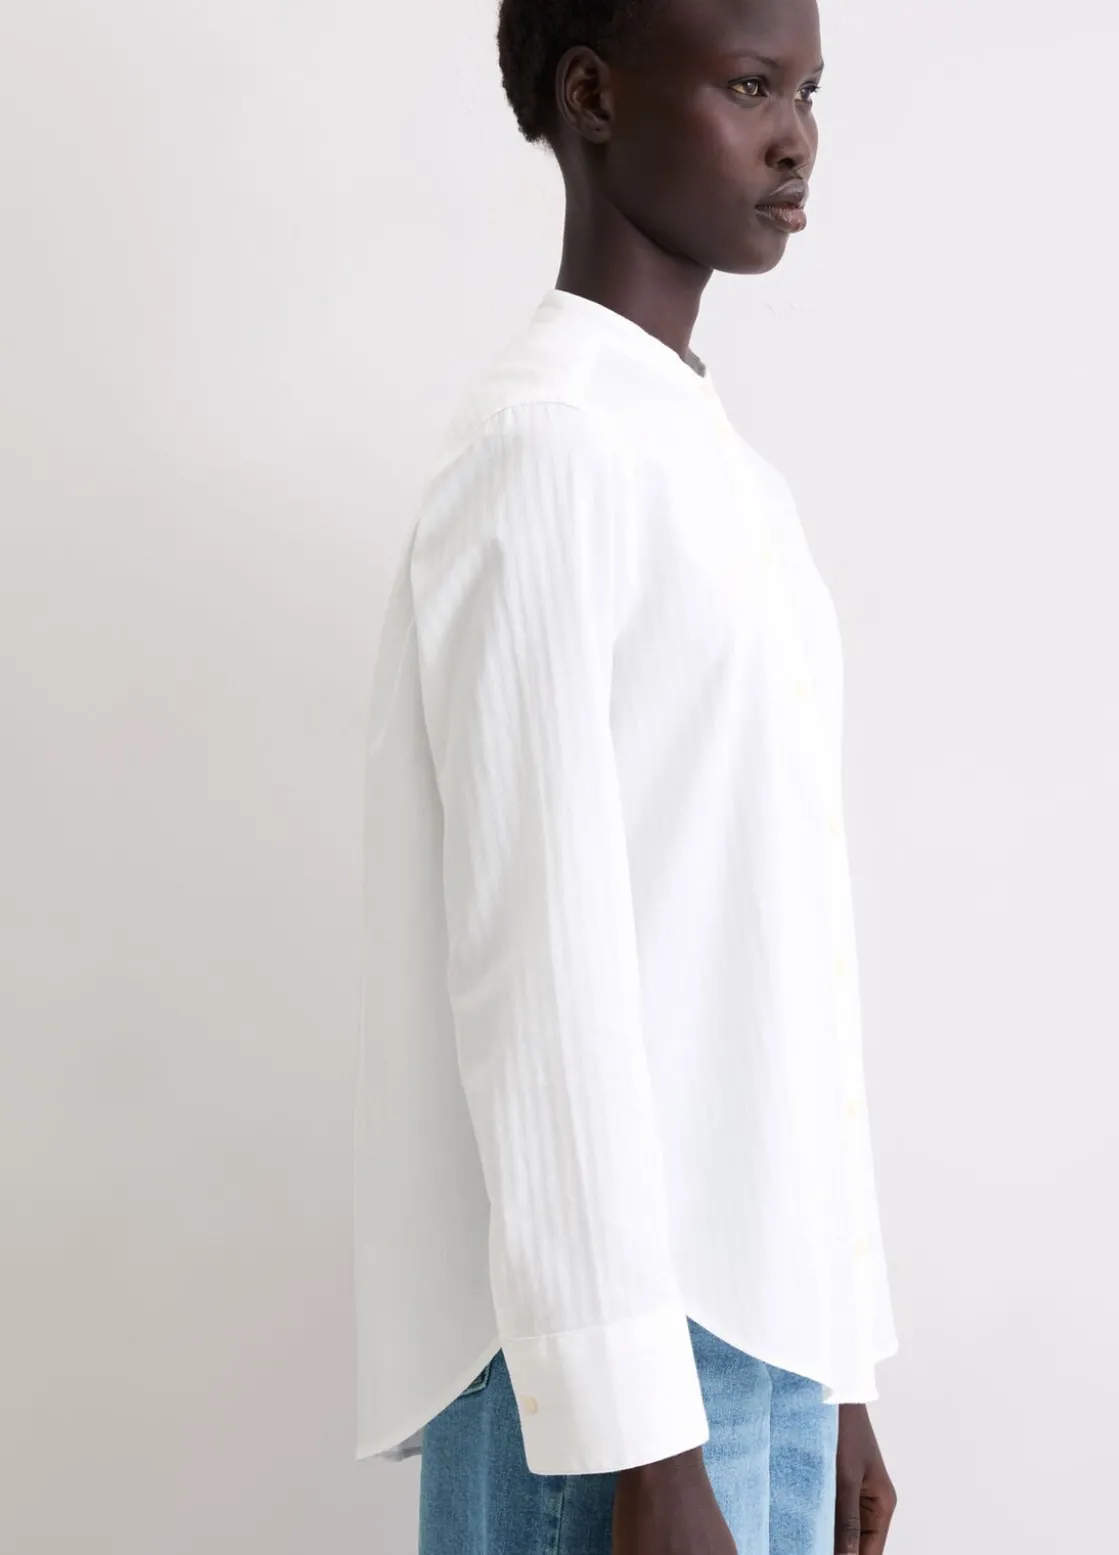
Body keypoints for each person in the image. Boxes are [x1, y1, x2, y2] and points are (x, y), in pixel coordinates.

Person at [353, 0, 899, 1549]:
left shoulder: (730, 479)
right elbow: (539, 964)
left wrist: (838, 1360)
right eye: (749, 85)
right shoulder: (545, 452)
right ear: (591, 95)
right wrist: (644, 1442)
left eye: (809, 91)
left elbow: (772, 943)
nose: (794, 138)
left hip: (758, 1333)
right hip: (615, 1367)